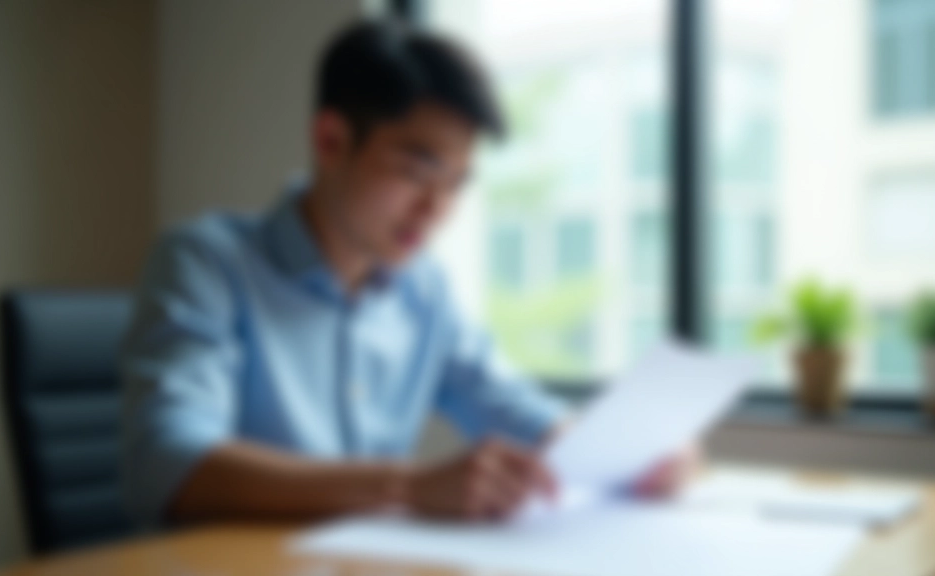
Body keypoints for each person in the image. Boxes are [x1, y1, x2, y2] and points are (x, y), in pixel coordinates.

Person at [121, 19, 694, 528]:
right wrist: (410, 486)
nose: (437, 210)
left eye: (457, 184)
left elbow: (509, 406)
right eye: (417, 171)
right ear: (331, 140)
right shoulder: (205, 262)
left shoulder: (423, 290)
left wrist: (629, 456)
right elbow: (167, 464)